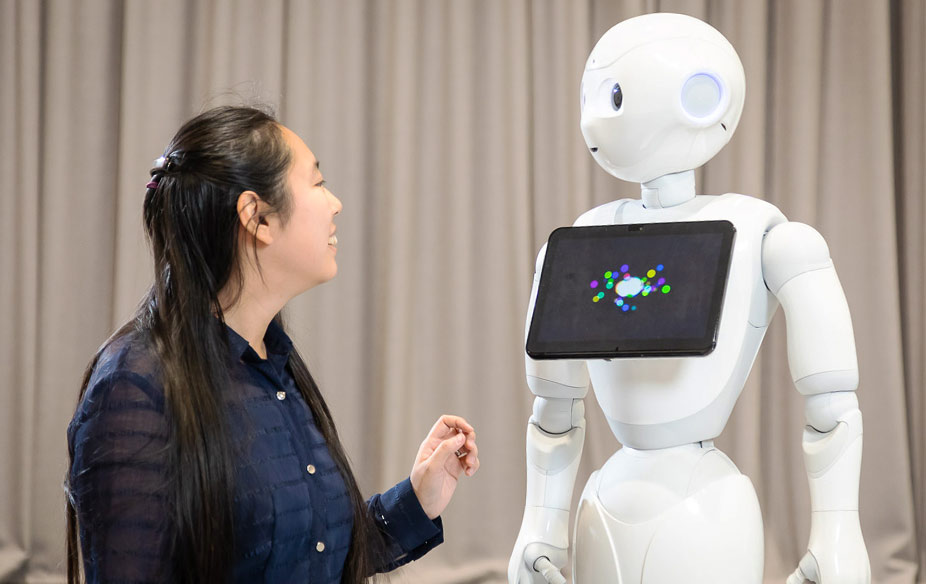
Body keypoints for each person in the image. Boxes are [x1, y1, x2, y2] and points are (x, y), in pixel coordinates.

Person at [65, 105, 480, 584]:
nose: (335, 203)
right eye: (318, 183)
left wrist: (418, 498)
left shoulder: (275, 365)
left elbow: (311, 554)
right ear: (256, 217)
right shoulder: (134, 387)